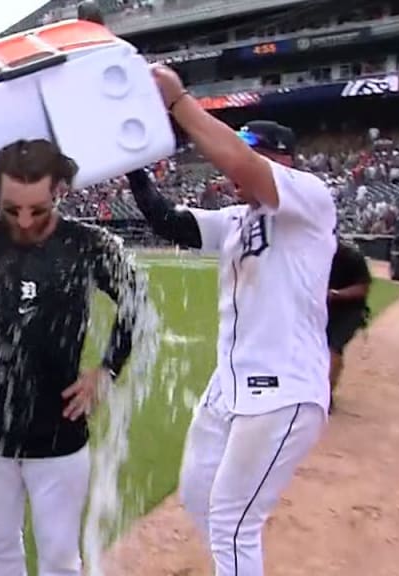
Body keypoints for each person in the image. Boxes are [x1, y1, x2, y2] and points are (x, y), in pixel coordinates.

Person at [127, 64, 337, 576]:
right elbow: (166, 219)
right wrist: (131, 161)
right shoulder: (237, 220)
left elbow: (239, 161)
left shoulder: (308, 197)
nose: (229, 174)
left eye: (253, 156)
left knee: (231, 521)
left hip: (284, 387)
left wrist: (179, 104)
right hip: (231, 385)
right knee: (200, 496)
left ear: (281, 161)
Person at [0, 138, 145, 576]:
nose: (23, 220)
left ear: (58, 188)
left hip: (60, 430)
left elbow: (136, 301)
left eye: (37, 209)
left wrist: (107, 369)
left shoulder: (89, 244)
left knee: (59, 557)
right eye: (10, 208)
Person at [326, 238, 372, 409]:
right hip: (322, 308)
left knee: (333, 348)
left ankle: (326, 395)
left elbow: (363, 288)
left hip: (348, 310)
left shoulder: (350, 255)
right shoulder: (309, 250)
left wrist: (335, 294)